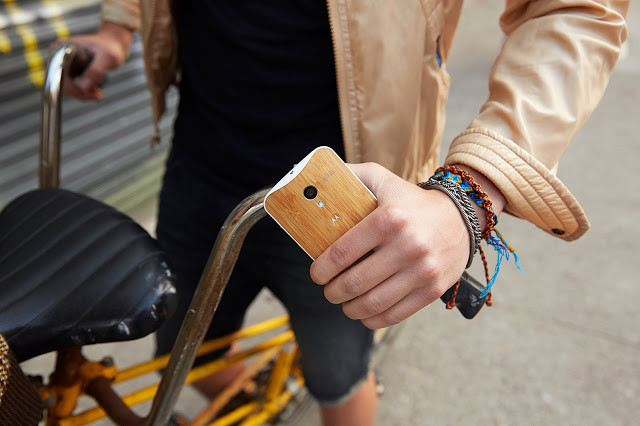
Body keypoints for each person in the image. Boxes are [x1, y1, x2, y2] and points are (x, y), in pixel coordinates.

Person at [61, 1, 629, 424]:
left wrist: (472, 190)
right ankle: (261, 393)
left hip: (350, 201)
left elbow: (575, 10)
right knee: (182, 355)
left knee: (339, 379)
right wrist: (118, 28)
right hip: (200, 163)